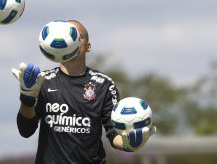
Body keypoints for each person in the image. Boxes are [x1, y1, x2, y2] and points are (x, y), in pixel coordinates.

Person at [12, 20, 156, 164]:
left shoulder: (104, 84)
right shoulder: (42, 81)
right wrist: (27, 99)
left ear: (88, 46)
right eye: (68, 35)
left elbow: (113, 134)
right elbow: (26, 131)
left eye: (78, 36)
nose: (73, 40)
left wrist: (128, 144)